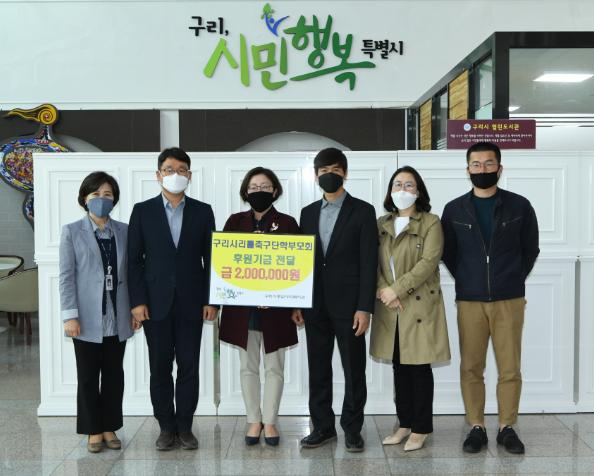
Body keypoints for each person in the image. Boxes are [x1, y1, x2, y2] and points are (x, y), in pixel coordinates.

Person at [441, 142, 540, 455]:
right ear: (467, 169)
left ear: (499, 168)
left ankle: (507, 427)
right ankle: (477, 426)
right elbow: (448, 252)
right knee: (471, 366)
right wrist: (468, 278)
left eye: (488, 163)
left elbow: (530, 249)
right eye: (476, 164)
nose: (482, 169)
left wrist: (511, 277)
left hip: (508, 298)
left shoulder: (519, 206)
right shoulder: (454, 209)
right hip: (469, 299)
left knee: (510, 367)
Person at [127, 147, 217, 451]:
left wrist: (212, 300)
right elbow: (134, 261)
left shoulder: (203, 211)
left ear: (189, 175)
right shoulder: (142, 211)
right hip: (154, 304)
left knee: (189, 366)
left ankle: (185, 427)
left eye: (181, 170)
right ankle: (166, 427)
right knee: (160, 368)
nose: (174, 175)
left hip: (193, 302)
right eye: (168, 169)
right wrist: (137, 302)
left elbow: (212, 259)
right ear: (158, 175)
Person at [297, 147, 378, 453]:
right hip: (314, 305)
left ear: (345, 173)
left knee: (354, 370)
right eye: (323, 171)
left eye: (334, 170)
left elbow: (369, 262)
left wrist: (364, 307)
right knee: (318, 369)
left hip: (350, 306)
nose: (329, 175)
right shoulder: (307, 213)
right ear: (316, 175)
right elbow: (301, 263)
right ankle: (322, 427)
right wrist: (297, 302)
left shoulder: (363, 211)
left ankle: (352, 429)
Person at [219, 167, 301, 447]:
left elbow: (299, 268)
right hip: (243, 310)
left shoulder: (288, 223)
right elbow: (224, 264)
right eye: (254, 187)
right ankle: (254, 419)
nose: (259, 191)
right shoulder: (234, 222)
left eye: (265, 187)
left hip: (276, 310)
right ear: (245, 191)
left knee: (275, 367)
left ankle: (271, 421)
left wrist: (291, 302)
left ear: (275, 191)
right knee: (247, 367)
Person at [370, 166, 450, 452]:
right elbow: (372, 261)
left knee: (418, 367)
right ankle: (404, 423)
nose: (402, 190)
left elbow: (428, 262)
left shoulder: (430, 222)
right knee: (399, 367)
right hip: (389, 305)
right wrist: (384, 290)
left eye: (409, 185)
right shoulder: (381, 223)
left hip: (417, 304)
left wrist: (397, 290)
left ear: (418, 191)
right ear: (390, 191)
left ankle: (421, 428)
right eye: (397, 184)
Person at [59, 171, 137, 453]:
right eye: (95, 194)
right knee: (88, 376)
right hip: (86, 318)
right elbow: (66, 276)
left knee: (114, 375)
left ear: (114, 199)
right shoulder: (72, 231)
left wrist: (134, 310)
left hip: (118, 316)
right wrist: (70, 315)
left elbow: (133, 272)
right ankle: (93, 429)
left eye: (107, 194)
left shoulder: (125, 231)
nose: (101, 199)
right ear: (84, 198)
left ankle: (110, 427)